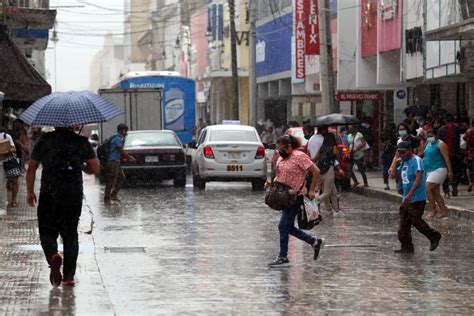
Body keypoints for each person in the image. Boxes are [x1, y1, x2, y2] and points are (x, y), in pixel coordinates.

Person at [26, 127, 100, 286]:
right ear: (74, 125)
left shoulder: (44, 140)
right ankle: (69, 277)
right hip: (72, 194)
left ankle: (53, 255)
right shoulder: (81, 142)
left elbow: (31, 168)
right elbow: (95, 168)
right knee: (70, 234)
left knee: (46, 231)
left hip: (49, 192)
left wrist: (30, 192)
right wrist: (80, 165)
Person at [266, 135, 324, 267]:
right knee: (288, 227)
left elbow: (316, 172)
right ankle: (314, 242)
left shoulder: (300, 156)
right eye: (277, 149)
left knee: (282, 226)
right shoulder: (281, 158)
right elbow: (280, 175)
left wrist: (311, 190)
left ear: (289, 147)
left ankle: (283, 257)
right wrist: (271, 184)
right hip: (283, 197)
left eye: (281, 149)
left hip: (296, 196)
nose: (279, 151)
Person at [390, 141, 441, 254]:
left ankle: (433, 235)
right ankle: (407, 247)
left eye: (403, 152)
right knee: (404, 224)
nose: (401, 154)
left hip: (417, 197)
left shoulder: (416, 161)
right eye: (399, 152)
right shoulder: (403, 162)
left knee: (416, 220)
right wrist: (395, 162)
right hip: (406, 198)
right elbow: (392, 176)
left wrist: (409, 195)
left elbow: (418, 180)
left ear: (409, 150)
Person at [308, 125, 340, 212]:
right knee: (327, 192)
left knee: (333, 191)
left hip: (320, 169)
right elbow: (337, 159)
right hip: (329, 170)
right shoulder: (333, 148)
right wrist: (339, 168)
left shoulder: (321, 147)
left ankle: (334, 210)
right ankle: (313, 203)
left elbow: (314, 158)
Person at [424, 129, 452, 219]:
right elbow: (426, 156)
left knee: (427, 189)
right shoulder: (428, 144)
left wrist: (450, 171)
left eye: (431, 136)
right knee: (435, 192)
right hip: (429, 170)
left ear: (436, 136)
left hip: (439, 169)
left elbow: (446, 158)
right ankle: (443, 211)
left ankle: (433, 210)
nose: (429, 138)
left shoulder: (441, 144)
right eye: (428, 136)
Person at [104, 124, 135, 204]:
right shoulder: (117, 138)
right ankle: (107, 199)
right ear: (121, 130)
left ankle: (113, 195)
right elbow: (121, 150)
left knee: (121, 177)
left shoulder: (118, 137)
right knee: (111, 181)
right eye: (125, 131)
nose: (126, 132)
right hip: (113, 162)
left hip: (115, 162)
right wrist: (130, 157)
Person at [438, 114, 461, 197]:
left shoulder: (441, 130)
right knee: (455, 171)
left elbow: (440, 142)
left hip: (445, 154)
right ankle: (454, 185)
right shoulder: (457, 128)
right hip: (455, 154)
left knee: (445, 172)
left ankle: (446, 190)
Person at [0, 127, 20, 208]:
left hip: (5, 164)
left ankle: (3, 206)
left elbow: (13, 148)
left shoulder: (6, 136)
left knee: (2, 185)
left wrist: (5, 151)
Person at [381, 126, 397, 190]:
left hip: (388, 154)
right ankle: (388, 183)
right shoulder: (393, 136)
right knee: (391, 168)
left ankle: (386, 183)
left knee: (386, 169)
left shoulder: (385, 136)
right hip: (389, 154)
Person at [464, 125, 474, 193]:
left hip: (471, 151)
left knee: (468, 167)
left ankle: (470, 181)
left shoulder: (469, 131)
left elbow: (464, 137)